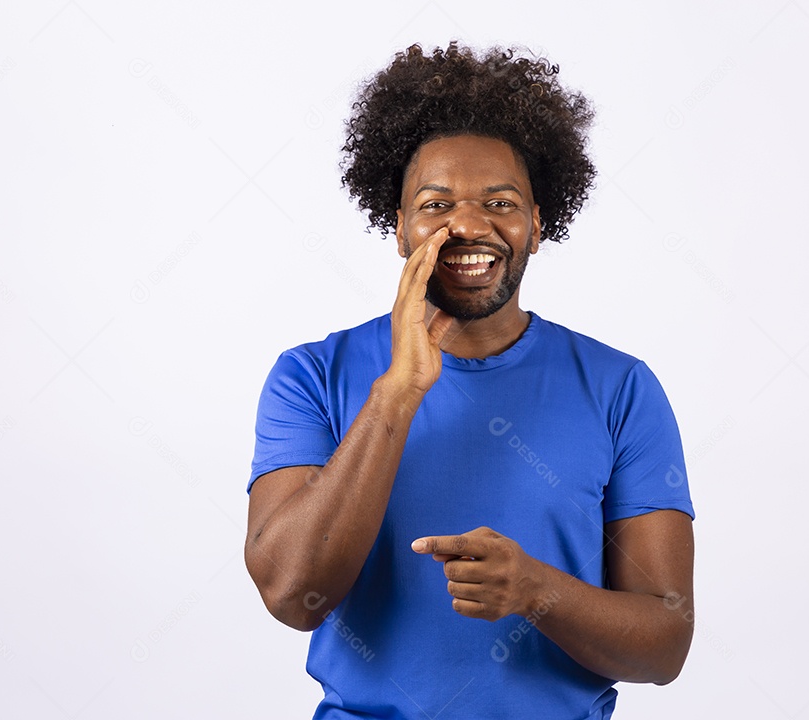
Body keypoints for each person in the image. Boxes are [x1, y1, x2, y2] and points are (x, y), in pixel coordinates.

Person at [244, 41, 695, 720]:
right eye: (435, 204)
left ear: (538, 225)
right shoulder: (310, 376)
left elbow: (664, 648)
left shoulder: (621, 389)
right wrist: (397, 393)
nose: (468, 225)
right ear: (398, 228)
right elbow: (289, 592)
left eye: (500, 201)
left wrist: (535, 590)